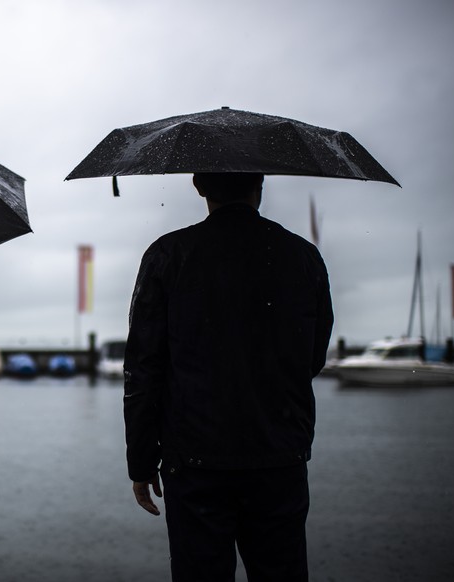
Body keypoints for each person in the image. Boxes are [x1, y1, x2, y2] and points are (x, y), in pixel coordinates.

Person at [123, 173, 333, 581]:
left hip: (195, 458)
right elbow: (313, 356)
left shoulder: (168, 254)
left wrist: (142, 461)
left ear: (200, 186)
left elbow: (144, 366)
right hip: (279, 455)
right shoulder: (303, 255)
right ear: (260, 186)